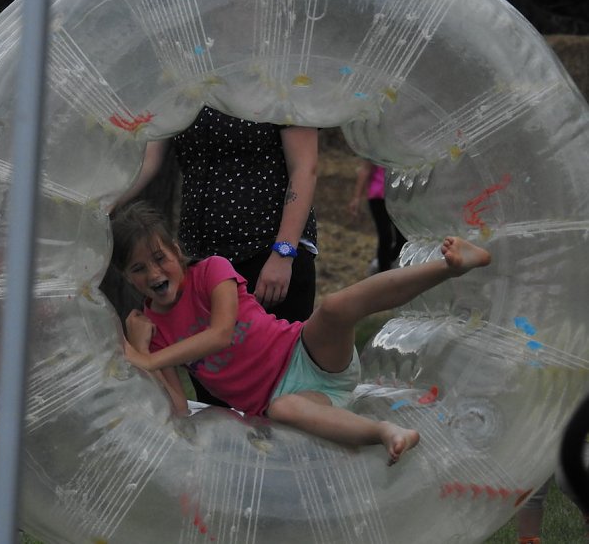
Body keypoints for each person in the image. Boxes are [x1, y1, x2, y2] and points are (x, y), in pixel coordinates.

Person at [111, 201, 491, 464]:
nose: (154, 273)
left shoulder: (212, 269)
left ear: (177, 252)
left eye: (160, 258)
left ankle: (451, 266)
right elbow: (178, 409)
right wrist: (143, 350)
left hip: (305, 352)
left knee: (334, 308)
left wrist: (147, 358)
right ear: (127, 277)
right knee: (282, 410)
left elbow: (222, 333)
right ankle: (386, 432)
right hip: (287, 398)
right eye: (139, 269)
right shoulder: (154, 333)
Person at [117, 105, 319, 405]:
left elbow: (305, 167)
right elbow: (147, 161)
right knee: (218, 399)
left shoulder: (278, 86)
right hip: (199, 266)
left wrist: (284, 252)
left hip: (267, 253)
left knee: (286, 394)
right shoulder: (186, 91)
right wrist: (99, 205)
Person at [348, 159, 407, 274]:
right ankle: (383, 272)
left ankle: (388, 262)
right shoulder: (375, 150)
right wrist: (356, 198)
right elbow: (365, 169)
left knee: (402, 237)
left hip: (398, 197)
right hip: (378, 197)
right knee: (386, 236)